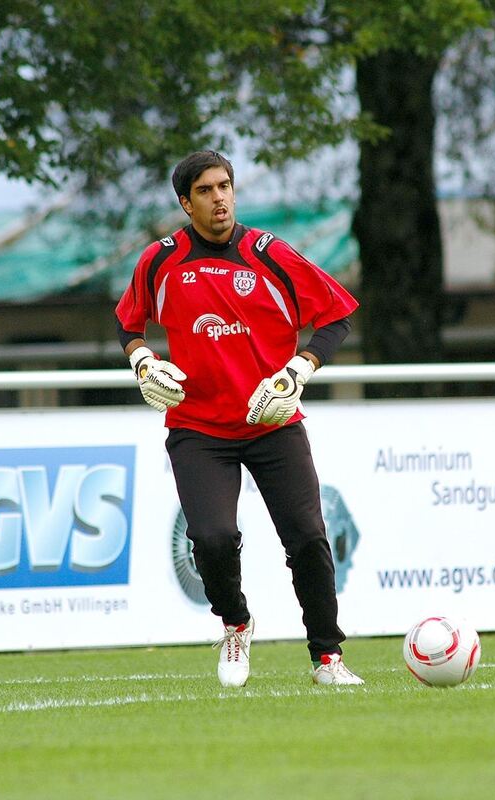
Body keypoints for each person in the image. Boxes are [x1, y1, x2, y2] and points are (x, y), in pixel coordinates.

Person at [115, 150, 363, 687]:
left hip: (272, 423)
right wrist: (141, 360)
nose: (219, 197)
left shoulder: (269, 254)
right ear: (185, 203)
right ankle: (235, 623)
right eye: (205, 190)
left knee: (307, 538)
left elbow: (337, 313)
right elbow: (128, 323)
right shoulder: (159, 261)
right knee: (211, 539)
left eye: (225, 185)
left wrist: (298, 369)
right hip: (198, 429)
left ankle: (328, 658)